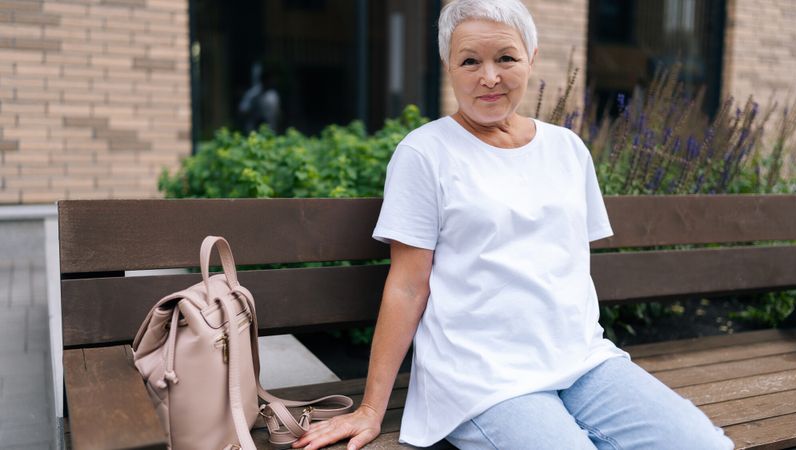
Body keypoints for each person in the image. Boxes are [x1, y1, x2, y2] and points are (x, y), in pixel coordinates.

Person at [293, 1, 735, 449]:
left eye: (506, 57)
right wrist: (371, 410)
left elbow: (566, 264)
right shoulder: (424, 153)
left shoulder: (567, 149)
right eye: (470, 61)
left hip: (582, 363)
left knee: (705, 445)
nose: (490, 77)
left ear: (531, 58)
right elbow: (407, 287)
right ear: (448, 66)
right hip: (482, 379)